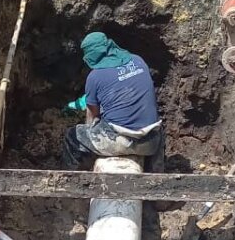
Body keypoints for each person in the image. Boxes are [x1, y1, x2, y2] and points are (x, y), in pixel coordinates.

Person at [63, 32, 163, 167]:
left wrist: (91, 135)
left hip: (117, 141)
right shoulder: (138, 61)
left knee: (72, 136)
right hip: (150, 142)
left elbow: (92, 115)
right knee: (159, 128)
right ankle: (156, 175)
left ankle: (72, 179)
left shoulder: (95, 76)